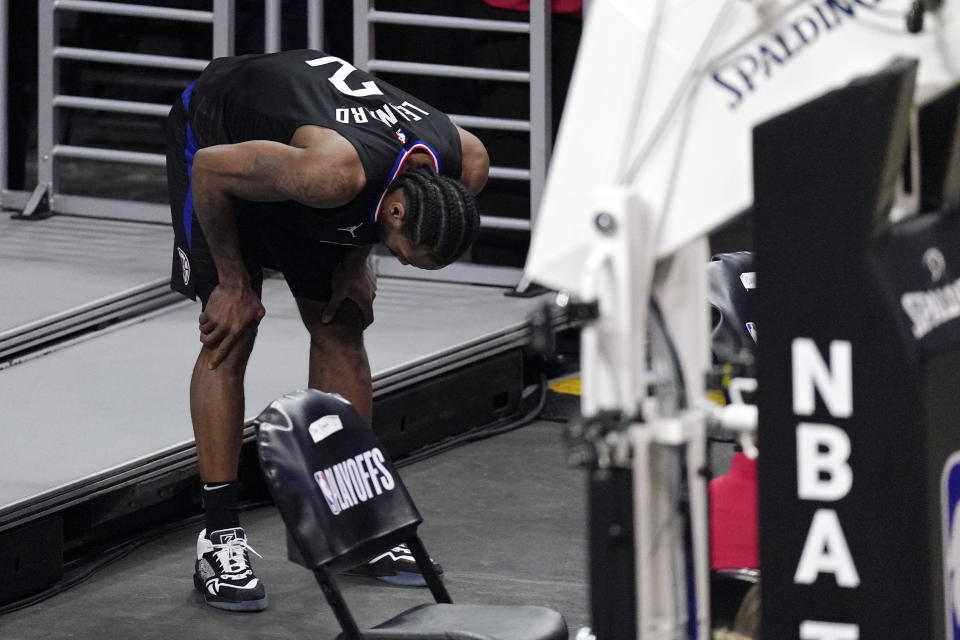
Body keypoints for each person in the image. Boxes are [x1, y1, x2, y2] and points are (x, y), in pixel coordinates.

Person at [165, 49, 489, 612]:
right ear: (394, 216)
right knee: (231, 329)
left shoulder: (467, 163)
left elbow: (389, 199)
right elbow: (211, 170)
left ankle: (356, 523)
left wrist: (355, 262)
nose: (410, 268)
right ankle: (217, 539)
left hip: (303, 167)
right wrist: (235, 282)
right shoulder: (330, 174)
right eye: (412, 258)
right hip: (220, 145)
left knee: (342, 322)